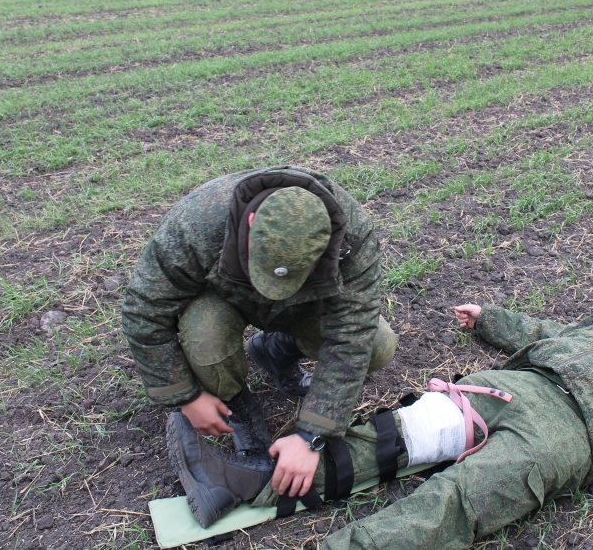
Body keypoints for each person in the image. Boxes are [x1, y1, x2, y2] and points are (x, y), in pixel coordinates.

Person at [166, 300, 593, 548]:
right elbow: (551, 332)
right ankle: (242, 483)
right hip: (518, 386)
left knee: (460, 500)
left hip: (571, 435)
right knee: (394, 438)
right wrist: (491, 319)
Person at [121, 166, 398, 526]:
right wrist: (187, 398)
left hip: (304, 301)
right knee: (205, 339)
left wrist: (312, 435)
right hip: (221, 302)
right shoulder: (198, 223)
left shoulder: (351, 236)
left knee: (378, 344)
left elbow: (352, 332)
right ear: (250, 222)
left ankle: (276, 349)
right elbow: (144, 311)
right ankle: (239, 408)